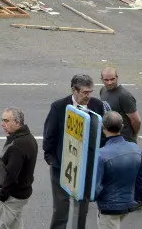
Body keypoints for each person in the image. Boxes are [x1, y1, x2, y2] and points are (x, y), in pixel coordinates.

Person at [43, 73, 108, 229]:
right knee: (61, 208)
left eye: (90, 92)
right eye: (85, 92)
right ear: (74, 90)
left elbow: (102, 135)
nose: (88, 96)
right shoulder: (59, 107)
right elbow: (49, 135)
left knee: (82, 206)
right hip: (62, 166)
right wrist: (52, 160)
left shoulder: (97, 105)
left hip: (86, 167)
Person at [93, 111, 142, 229]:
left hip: (109, 207)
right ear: (122, 127)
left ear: (103, 127)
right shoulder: (136, 149)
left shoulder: (101, 154)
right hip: (128, 203)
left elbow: (96, 188)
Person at [0, 107, 38, 229]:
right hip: (22, 195)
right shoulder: (29, 138)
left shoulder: (17, 145)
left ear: (17, 122)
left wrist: (2, 194)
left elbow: (12, 175)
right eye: (2, 120)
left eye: (6, 121)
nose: (3, 124)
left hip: (11, 198)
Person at [100, 67, 142, 143]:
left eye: (112, 79)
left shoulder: (124, 96)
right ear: (102, 79)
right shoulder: (103, 90)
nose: (109, 82)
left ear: (117, 78)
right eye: (106, 80)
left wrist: (133, 135)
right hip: (109, 138)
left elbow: (136, 120)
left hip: (124, 140)